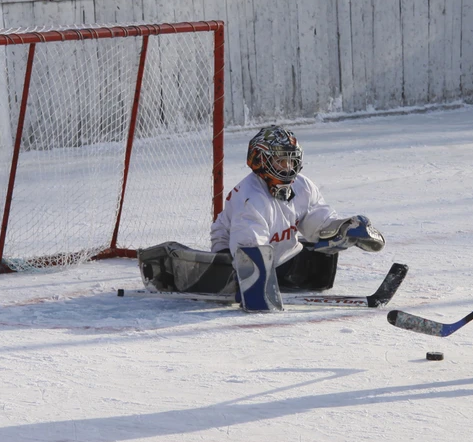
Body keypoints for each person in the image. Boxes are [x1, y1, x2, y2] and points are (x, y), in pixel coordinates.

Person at [138, 125, 385, 311]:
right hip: (232, 250)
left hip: (279, 250)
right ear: (259, 160)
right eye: (280, 161)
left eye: (291, 160)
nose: (288, 168)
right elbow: (248, 249)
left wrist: (340, 229)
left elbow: (314, 220)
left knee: (319, 272)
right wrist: (256, 288)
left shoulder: (303, 185)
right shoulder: (250, 199)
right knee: (235, 278)